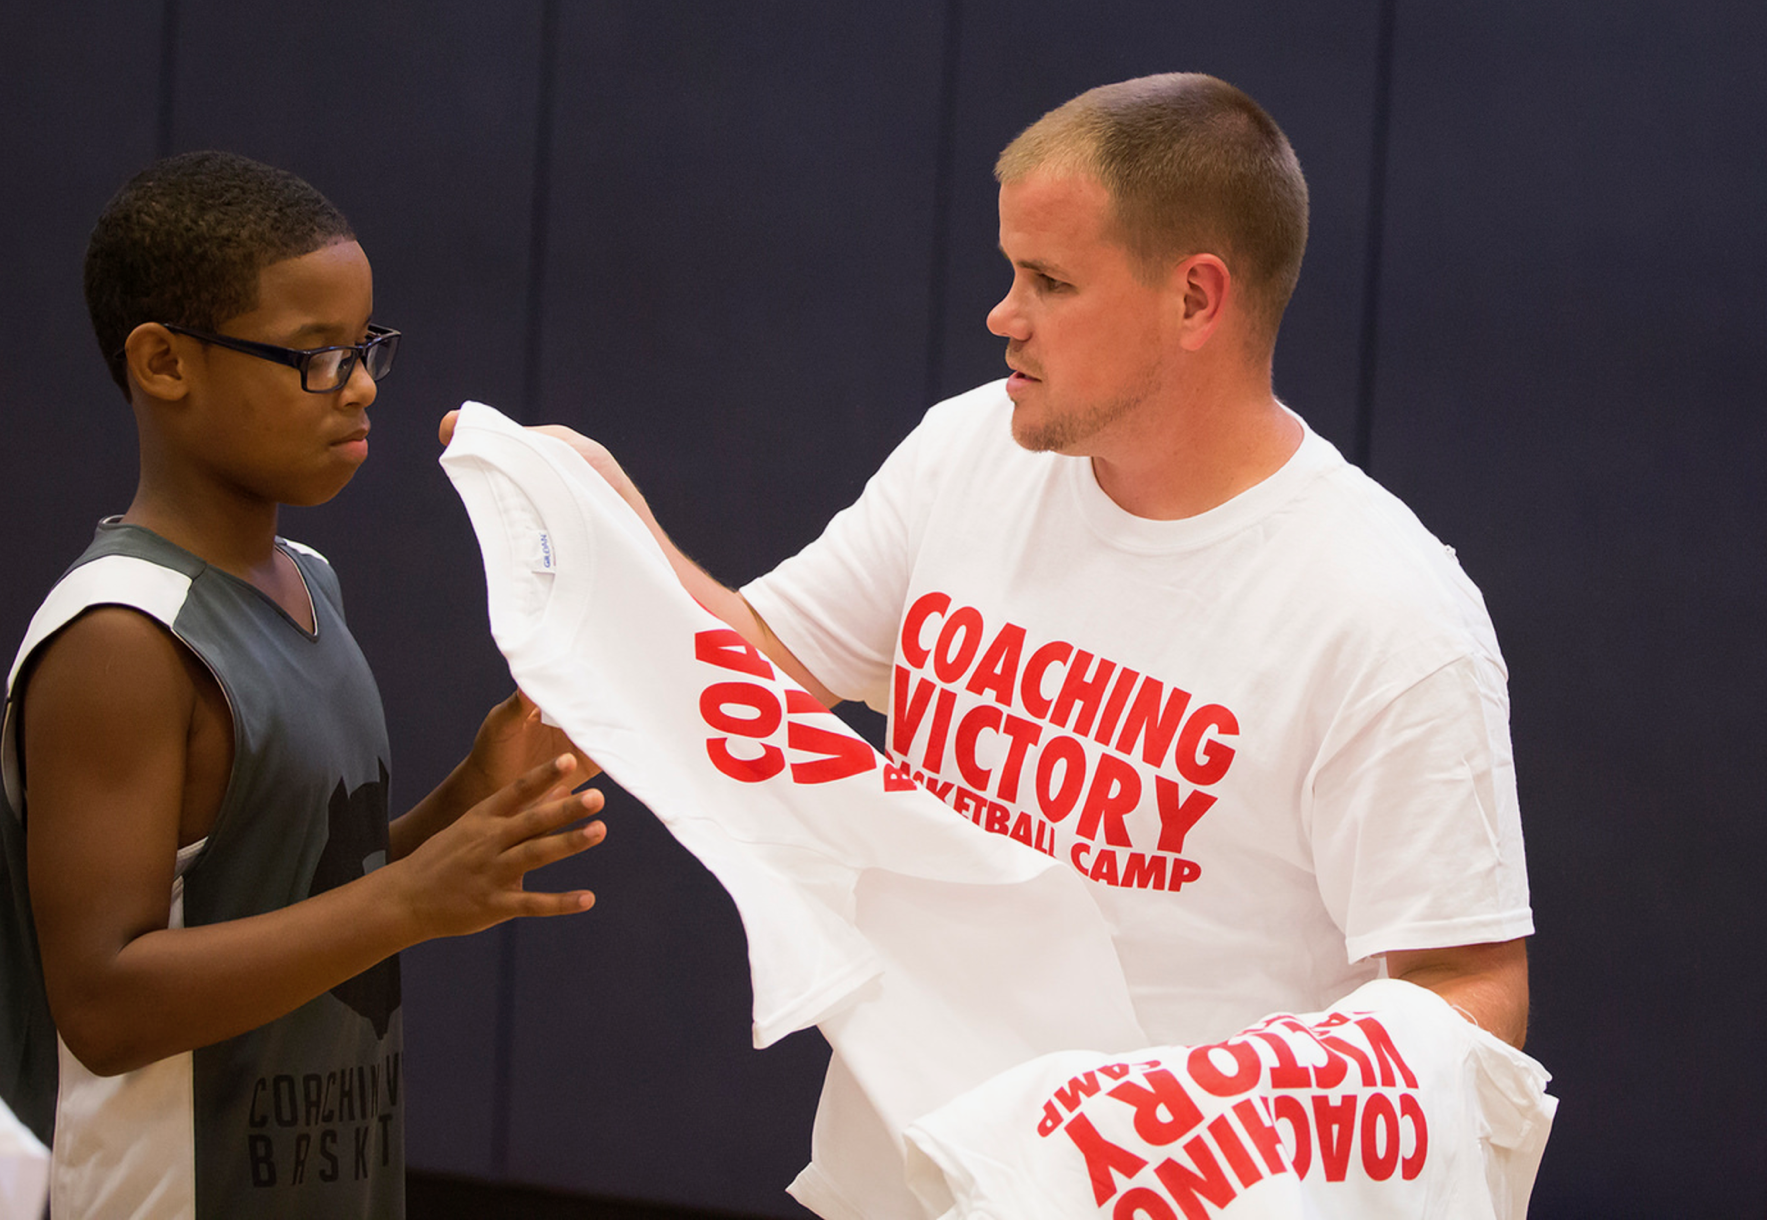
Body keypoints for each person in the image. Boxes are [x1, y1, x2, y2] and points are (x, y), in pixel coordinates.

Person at [525, 73, 1531, 1053]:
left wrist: (1212, 1122)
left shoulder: (1387, 612)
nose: (1003, 315)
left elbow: (1468, 990)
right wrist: (618, 530)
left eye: (1048, 281)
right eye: (1011, 271)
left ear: (1193, 300)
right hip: (931, 1165)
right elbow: (755, 671)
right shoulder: (970, 450)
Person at [0, 150, 607, 1219]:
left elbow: (289, 899)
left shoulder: (308, 581)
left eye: (364, 348)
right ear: (165, 363)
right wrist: (408, 902)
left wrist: (466, 809)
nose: (358, 384)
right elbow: (103, 1001)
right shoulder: (122, 635)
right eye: (314, 355)